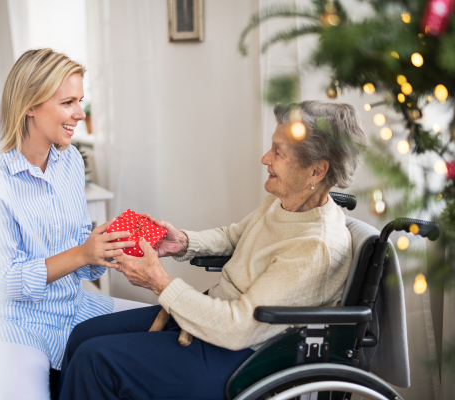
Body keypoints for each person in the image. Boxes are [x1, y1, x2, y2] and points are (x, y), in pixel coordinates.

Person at [57, 101, 369, 400]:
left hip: (244, 357)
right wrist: (183, 242)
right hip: (212, 318)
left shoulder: (315, 247)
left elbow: (238, 328)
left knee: (94, 363)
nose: (265, 159)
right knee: (83, 335)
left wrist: (159, 282)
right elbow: (238, 235)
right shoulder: (285, 200)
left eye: (278, 152)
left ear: (316, 172)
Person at [0, 49, 148, 400]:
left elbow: (79, 247)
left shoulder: (69, 160)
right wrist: (83, 254)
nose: (79, 114)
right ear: (30, 105)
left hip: (75, 306)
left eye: (80, 101)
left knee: (166, 326)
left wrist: (108, 246)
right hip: (18, 323)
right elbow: (3, 282)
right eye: (68, 102)